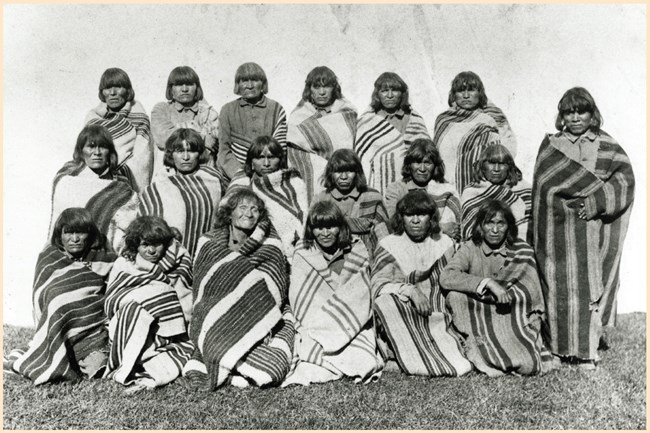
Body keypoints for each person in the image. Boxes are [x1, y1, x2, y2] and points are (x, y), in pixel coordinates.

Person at [529, 87, 635, 369]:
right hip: (557, 231)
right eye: (568, 112)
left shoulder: (607, 145)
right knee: (557, 286)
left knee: (589, 286)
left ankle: (586, 351)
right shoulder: (553, 146)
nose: (575, 117)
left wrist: (597, 201)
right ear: (561, 115)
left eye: (581, 111)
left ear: (593, 114)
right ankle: (560, 349)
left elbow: (624, 180)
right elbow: (543, 187)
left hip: (592, 230)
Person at [182, 189, 294, 390]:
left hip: (257, 309)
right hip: (214, 308)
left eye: (254, 210)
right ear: (229, 213)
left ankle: (231, 362)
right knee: (211, 334)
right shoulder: (209, 242)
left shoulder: (271, 245)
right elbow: (204, 285)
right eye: (242, 208)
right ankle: (227, 362)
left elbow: (274, 285)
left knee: (273, 366)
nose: (249, 214)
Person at [5, 208, 117, 384]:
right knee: (58, 302)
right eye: (69, 232)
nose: (74, 239)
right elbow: (43, 294)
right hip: (58, 324)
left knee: (98, 363)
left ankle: (81, 353)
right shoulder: (49, 257)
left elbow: (113, 290)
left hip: (92, 325)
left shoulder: (104, 256)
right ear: (60, 235)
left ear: (90, 234)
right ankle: (58, 355)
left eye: (80, 232)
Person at [440, 200, 548, 376]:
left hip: (511, 316)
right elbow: (447, 276)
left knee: (528, 364)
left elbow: (531, 294)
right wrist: (488, 283)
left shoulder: (521, 251)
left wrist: (511, 294)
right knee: (455, 296)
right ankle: (484, 351)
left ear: (509, 226)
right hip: (479, 315)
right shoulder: (470, 248)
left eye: (501, 223)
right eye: (489, 223)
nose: (495, 230)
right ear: (480, 226)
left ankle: (508, 349)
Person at [371, 190, 472, 376]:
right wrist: (411, 291)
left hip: (437, 308)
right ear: (401, 218)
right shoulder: (389, 244)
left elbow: (456, 275)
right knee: (384, 303)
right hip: (406, 308)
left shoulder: (444, 242)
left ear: (431, 218)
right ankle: (409, 355)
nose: (415, 221)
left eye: (422, 214)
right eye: (409, 215)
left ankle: (439, 352)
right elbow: (378, 284)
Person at [283, 202, 384, 386]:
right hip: (314, 323)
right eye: (319, 228)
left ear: (340, 227)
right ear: (311, 230)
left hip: (352, 323)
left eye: (331, 226)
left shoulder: (356, 249)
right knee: (308, 348)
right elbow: (301, 295)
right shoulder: (303, 251)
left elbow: (360, 292)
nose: (325, 233)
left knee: (364, 360)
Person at [104, 216, 193, 392]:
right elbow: (112, 300)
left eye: (157, 244)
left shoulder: (180, 258)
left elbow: (186, 298)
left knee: (160, 293)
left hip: (168, 328)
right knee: (134, 308)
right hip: (129, 324)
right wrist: (144, 298)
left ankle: (147, 362)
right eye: (145, 245)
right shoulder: (125, 263)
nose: (151, 250)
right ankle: (132, 361)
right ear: (136, 244)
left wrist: (161, 297)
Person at [49, 124, 139, 252]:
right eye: (91, 146)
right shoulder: (67, 180)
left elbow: (129, 226)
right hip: (67, 253)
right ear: (81, 151)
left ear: (110, 152)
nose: (97, 152)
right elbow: (58, 223)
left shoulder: (121, 185)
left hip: (106, 255)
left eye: (102, 147)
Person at [138, 128, 224, 256]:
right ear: (171, 154)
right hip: (166, 255)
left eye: (191, 151)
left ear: (199, 153)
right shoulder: (159, 184)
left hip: (206, 253)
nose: (185, 157)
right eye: (179, 151)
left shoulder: (213, 180)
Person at [432, 71, 517, 194]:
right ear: (454, 95)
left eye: (471, 90)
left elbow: (508, 149)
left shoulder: (493, 117)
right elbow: (437, 156)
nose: (466, 95)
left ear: (480, 93)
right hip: (449, 185)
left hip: (484, 185)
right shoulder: (443, 120)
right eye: (461, 91)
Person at [226, 136, 309, 258]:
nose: (266, 164)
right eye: (260, 157)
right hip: (267, 253)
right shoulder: (249, 191)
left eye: (271, 157)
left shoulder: (295, 183)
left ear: (280, 160)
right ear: (251, 163)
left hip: (303, 249)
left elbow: (304, 216)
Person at [286, 66, 358, 201]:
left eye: (327, 86)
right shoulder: (299, 116)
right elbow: (295, 151)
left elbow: (349, 146)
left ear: (334, 88)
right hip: (311, 177)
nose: (322, 92)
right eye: (316, 87)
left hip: (344, 174)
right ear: (309, 89)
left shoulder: (347, 112)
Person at [354, 72, 430, 195]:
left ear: (402, 94)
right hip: (379, 185)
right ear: (377, 94)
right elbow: (361, 159)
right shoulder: (368, 121)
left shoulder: (414, 119)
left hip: (413, 185)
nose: (389, 95)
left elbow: (428, 153)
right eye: (384, 91)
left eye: (394, 90)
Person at [85, 67, 153, 192]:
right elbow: (85, 153)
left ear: (128, 91)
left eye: (118, 87)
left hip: (127, 182)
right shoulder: (92, 118)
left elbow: (142, 158)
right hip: (95, 181)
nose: (112, 93)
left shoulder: (140, 118)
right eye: (107, 88)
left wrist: (117, 175)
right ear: (102, 92)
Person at [217, 62, 287, 181]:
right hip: (236, 175)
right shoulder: (227, 110)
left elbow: (280, 150)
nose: (249, 86)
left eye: (254, 80)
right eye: (244, 81)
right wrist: (241, 176)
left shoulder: (275, 109)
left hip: (270, 172)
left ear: (263, 83)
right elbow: (224, 151)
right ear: (238, 85)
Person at [314, 149, 389, 257]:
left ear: (357, 173)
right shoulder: (321, 199)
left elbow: (384, 238)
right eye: (338, 172)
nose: (344, 177)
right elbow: (312, 234)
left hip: (367, 257)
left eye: (349, 171)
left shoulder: (372, 197)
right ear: (331, 174)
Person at [384, 139, 460, 241]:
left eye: (428, 163)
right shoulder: (397, 189)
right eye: (417, 162)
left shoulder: (443, 189)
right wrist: (439, 228)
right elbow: (394, 224)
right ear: (409, 164)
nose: (422, 169)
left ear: (435, 166)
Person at [150, 66, 219, 175]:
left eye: (190, 84)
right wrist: (203, 136)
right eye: (178, 85)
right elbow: (164, 139)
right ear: (171, 89)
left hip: (202, 174)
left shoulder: (208, 112)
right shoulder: (161, 109)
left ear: (197, 87)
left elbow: (214, 140)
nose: (185, 89)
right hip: (168, 173)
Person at [460, 144, 531, 240]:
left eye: (502, 164)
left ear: (509, 167)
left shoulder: (524, 190)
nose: (496, 169)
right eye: (491, 163)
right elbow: (470, 231)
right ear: (482, 166)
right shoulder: (471, 192)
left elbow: (528, 228)